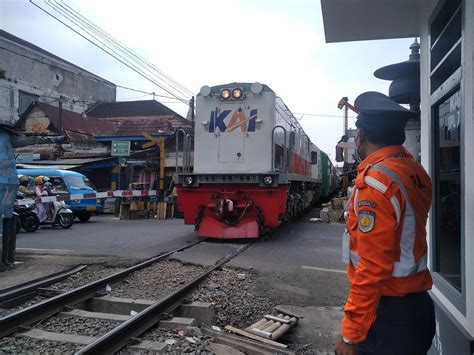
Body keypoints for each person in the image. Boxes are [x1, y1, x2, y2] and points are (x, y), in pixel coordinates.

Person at [334, 92, 435, 355]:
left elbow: (372, 267)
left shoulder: (377, 183)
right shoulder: (414, 171)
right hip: (417, 307)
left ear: (361, 136)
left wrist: (350, 335)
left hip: (390, 315)